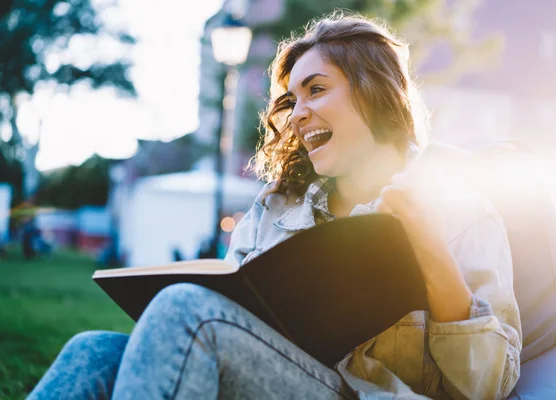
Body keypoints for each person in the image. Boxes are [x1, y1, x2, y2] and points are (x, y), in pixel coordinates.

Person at [28, 12, 521, 400]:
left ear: (375, 93)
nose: (299, 112)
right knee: (92, 350)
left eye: (317, 89)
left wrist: (430, 250)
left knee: (188, 311)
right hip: (277, 379)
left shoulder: (461, 208)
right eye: (292, 98)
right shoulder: (273, 213)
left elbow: (488, 389)